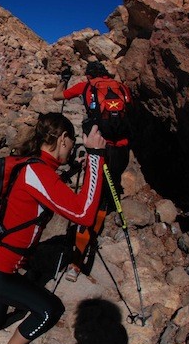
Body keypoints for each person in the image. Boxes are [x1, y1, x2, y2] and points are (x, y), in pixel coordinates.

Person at [0, 113, 106, 344]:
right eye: (71, 142)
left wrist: (78, 168)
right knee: (49, 310)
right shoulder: (38, 172)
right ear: (64, 139)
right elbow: (84, 214)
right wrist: (96, 157)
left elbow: (43, 192)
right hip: (0, 271)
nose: (71, 149)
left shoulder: (29, 164)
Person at [53, 61, 133, 282]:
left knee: (92, 199)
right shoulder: (121, 87)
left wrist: (64, 79)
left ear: (88, 76)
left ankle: (76, 262)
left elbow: (57, 97)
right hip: (122, 150)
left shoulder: (86, 86)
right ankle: (101, 215)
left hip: (100, 149)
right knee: (105, 200)